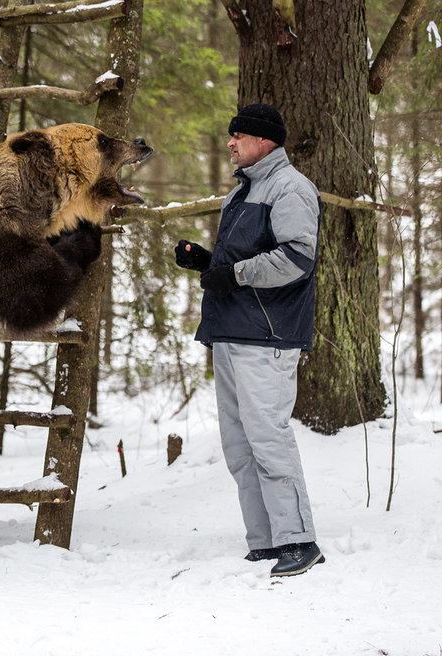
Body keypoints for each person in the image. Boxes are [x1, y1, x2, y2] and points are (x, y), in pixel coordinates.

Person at [175, 103, 324, 577]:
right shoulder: (242, 193)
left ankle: (299, 540)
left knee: (268, 439)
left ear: (265, 140)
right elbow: (238, 263)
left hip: (269, 336)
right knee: (239, 445)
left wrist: (233, 275)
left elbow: (297, 258)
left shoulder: (290, 188)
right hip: (232, 333)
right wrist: (207, 264)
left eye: (238, 135)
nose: (231, 143)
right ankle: (264, 542)